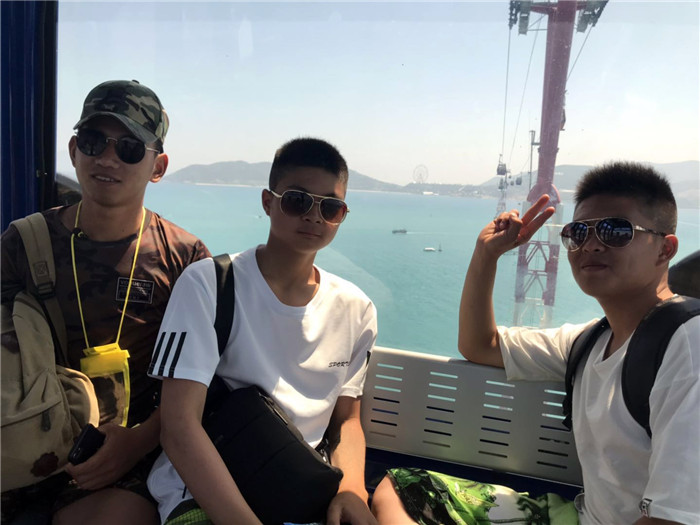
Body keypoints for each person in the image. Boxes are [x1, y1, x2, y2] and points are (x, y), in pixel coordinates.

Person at [371, 162, 699, 525]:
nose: (591, 244)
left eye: (615, 231)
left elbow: (674, 519)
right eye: (578, 232)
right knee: (403, 488)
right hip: (581, 516)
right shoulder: (591, 341)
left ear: (665, 249)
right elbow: (481, 345)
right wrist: (487, 254)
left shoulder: (687, 346)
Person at [1, 80, 211, 525]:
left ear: (158, 167)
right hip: (23, 438)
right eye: (94, 142)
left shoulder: (185, 259)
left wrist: (137, 443)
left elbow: (198, 379)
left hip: (128, 457)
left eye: (130, 148)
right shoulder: (23, 243)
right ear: (74, 150)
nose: (108, 159)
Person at [146, 137, 378, 525]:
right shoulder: (209, 285)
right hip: (202, 491)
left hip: (300, 488)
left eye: (331, 207)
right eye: (298, 201)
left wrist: (352, 490)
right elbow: (178, 427)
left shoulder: (356, 309)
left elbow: (346, 421)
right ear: (268, 202)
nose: (314, 216)